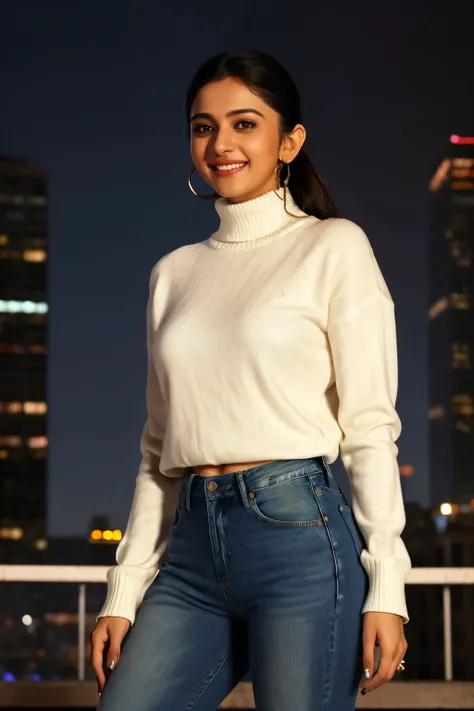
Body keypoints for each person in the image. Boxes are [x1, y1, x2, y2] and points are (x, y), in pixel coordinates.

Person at [91, 49, 410, 711]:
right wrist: (124, 591)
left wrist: (388, 582)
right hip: (189, 558)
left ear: (289, 140)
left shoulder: (334, 246)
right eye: (204, 126)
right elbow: (157, 453)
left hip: (299, 537)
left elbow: (370, 426)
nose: (221, 143)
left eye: (245, 123)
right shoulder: (172, 273)